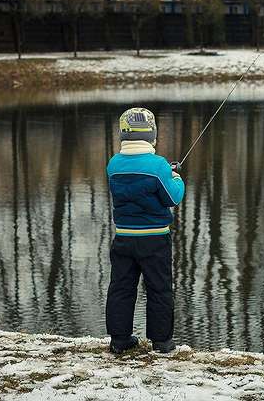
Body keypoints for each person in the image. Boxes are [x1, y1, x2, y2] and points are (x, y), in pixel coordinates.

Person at [105, 107, 185, 354]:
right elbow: (172, 197)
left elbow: (134, 185)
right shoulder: (158, 165)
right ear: (152, 135)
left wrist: (164, 174)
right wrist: (176, 178)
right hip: (154, 239)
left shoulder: (114, 164)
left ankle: (119, 341)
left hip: (124, 238)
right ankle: (162, 342)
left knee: (121, 287)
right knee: (159, 288)